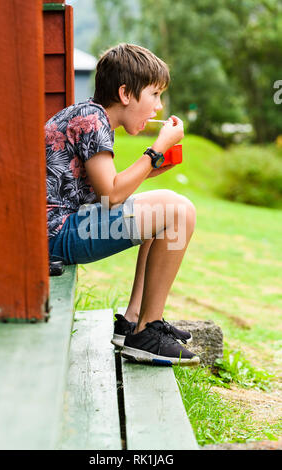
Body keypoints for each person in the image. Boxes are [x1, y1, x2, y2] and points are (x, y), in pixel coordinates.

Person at [46, 43, 200, 367]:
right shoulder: (91, 120)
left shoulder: (91, 117)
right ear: (126, 93)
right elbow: (113, 195)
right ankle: (146, 332)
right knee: (178, 210)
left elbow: (106, 191)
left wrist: (152, 168)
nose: (158, 107)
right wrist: (155, 151)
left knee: (167, 212)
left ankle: (134, 323)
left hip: (59, 229)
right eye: (155, 95)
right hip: (55, 235)